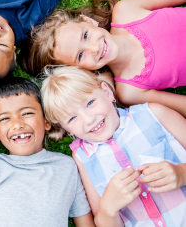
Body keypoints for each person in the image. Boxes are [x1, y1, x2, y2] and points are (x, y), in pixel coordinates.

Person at [41, 66, 186, 227]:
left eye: (90, 103)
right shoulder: (82, 157)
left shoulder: (153, 113)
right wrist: (108, 208)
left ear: (107, 92)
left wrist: (181, 173)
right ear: (67, 129)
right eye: (72, 118)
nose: (88, 120)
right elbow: (103, 221)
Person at [25, 0, 186, 117]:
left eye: (85, 36)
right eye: (80, 55)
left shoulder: (126, 11)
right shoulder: (129, 90)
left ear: (88, 21)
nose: (94, 49)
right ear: (80, 70)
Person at [0, 77, 94, 227]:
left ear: (46, 122)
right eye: (5, 118)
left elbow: (85, 222)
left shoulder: (67, 167)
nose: (17, 124)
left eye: (27, 113)